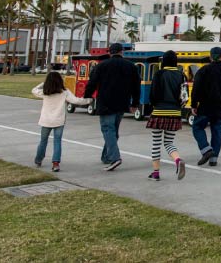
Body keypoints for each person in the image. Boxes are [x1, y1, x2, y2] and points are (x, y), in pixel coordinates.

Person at [84, 43, 140, 172]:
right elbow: (136, 86)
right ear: (122, 52)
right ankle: (107, 156)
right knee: (113, 130)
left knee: (108, 129)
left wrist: (87, 96)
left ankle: (115, 158)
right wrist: (135, 104)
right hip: (122, 102)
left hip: (106, 102)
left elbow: (92, 82)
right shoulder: (131, 66)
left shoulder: (102, 65)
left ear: (110, 52)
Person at [32, 72, 92, 172]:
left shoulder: (45, 91)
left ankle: (38, 159)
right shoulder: (64, 92)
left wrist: (43, 83)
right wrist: (89, 100)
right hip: (59, 120)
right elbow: (76, 101)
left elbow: (33, 90)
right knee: (57, 141)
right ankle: (55, 163)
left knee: (43, 141)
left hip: (46, 120)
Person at [146, 50, 187, 181]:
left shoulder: (159, 74)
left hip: (159, 112)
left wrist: (154, 105)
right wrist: (178, 107)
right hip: (175, 113)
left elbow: (153, 94)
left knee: (156, 143)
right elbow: (185, 97)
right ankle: (177, 159)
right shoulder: (181, 75)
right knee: (169, 142)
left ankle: (156, 173)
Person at [190, 47, 221, 167]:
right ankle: (214, 159)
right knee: (217, 131)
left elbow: (196, 89)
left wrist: (194, 104)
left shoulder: (203, 70)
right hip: (220, 107)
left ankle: (206, 149)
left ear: (210, 57)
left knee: (197, 127)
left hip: (205, 106)